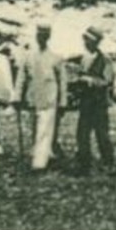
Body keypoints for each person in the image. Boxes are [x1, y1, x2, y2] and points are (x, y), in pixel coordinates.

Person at [18, 22, 67, 172]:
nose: (42, 38)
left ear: (49, 37)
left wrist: (63, 101)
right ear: (36, 36)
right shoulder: (28, 56)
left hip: (49, 98)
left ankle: (39, 163)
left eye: (45, 36)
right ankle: (45, 154)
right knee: (35, 129)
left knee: (45, 130)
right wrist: (17, 96)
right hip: (33, 97)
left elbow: (63, 82)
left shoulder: (56, 58)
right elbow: (21, 77)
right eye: (39, 35)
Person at [73, 25, 116, 174]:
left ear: (96, 43)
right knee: (82, 134)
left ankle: (108, 163)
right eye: (85, 39)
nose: (86, 43)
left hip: (99, 103)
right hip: (86, 102)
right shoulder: (84, 58)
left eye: (89, 40)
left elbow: (107, 81)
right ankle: (84, 164)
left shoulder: (105, 60)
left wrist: (89, 80)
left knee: (102, 134)